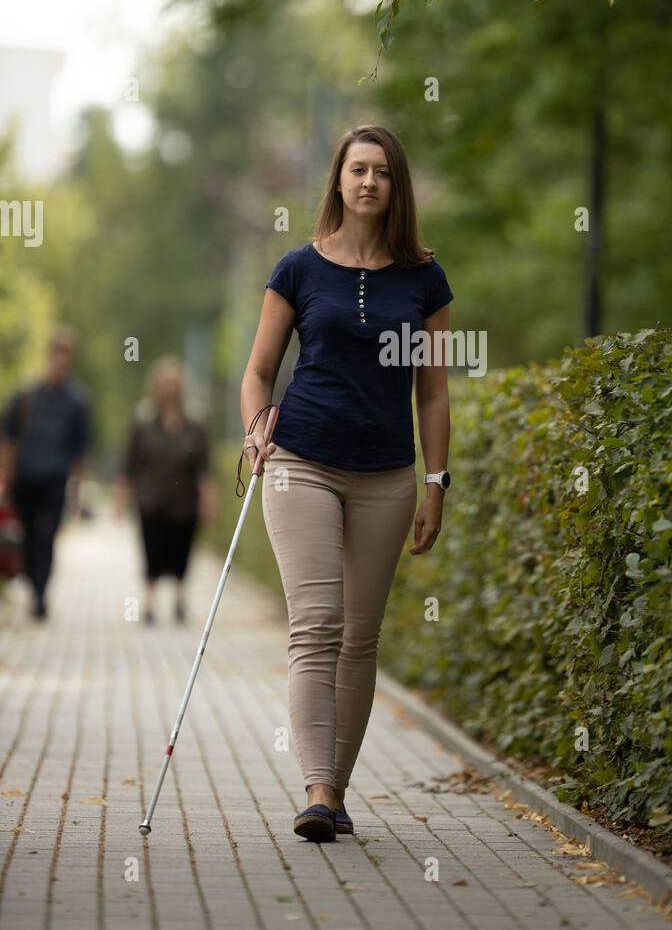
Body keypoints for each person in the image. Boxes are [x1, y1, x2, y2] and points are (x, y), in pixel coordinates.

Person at [240, 124, 454, 843]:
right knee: (318, 626)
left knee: (361, 637)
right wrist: (254, 425)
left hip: (388, 475)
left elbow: (433, 392)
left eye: (382, 172)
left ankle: (338, 789)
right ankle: (318, 790)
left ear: (396, 188)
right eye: (357, 170)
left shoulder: (425, 280)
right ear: (337, 181)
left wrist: (435, 483)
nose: (368, 182)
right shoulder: (298, 270)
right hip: (301, 461)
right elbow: (258, 371)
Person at [116, 356, 216, 626]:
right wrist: (121, 499)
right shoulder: (143, 420)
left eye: (174, 383)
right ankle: (149, 600)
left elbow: (205, 467)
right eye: (165, 383)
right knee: (151, 547)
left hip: (184, 501)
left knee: (182, 548)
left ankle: (180, 598)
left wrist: (208, 499)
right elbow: (129, 464)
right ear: (156, 386)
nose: (170, 389)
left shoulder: (195, 423)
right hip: (151, 498)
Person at [0, 325, 91, 621]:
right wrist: (5, 476)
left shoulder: (76, 402)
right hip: (24, 479)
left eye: (66, 356)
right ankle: (30, 580)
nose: (60, 362)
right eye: (57, 355)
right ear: (49, 355)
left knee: (48, 536)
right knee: (24, 535)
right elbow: (9, 439)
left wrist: (78, 491)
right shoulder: (25, 396)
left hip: (54, 480)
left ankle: (40, 594)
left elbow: (79, 451)